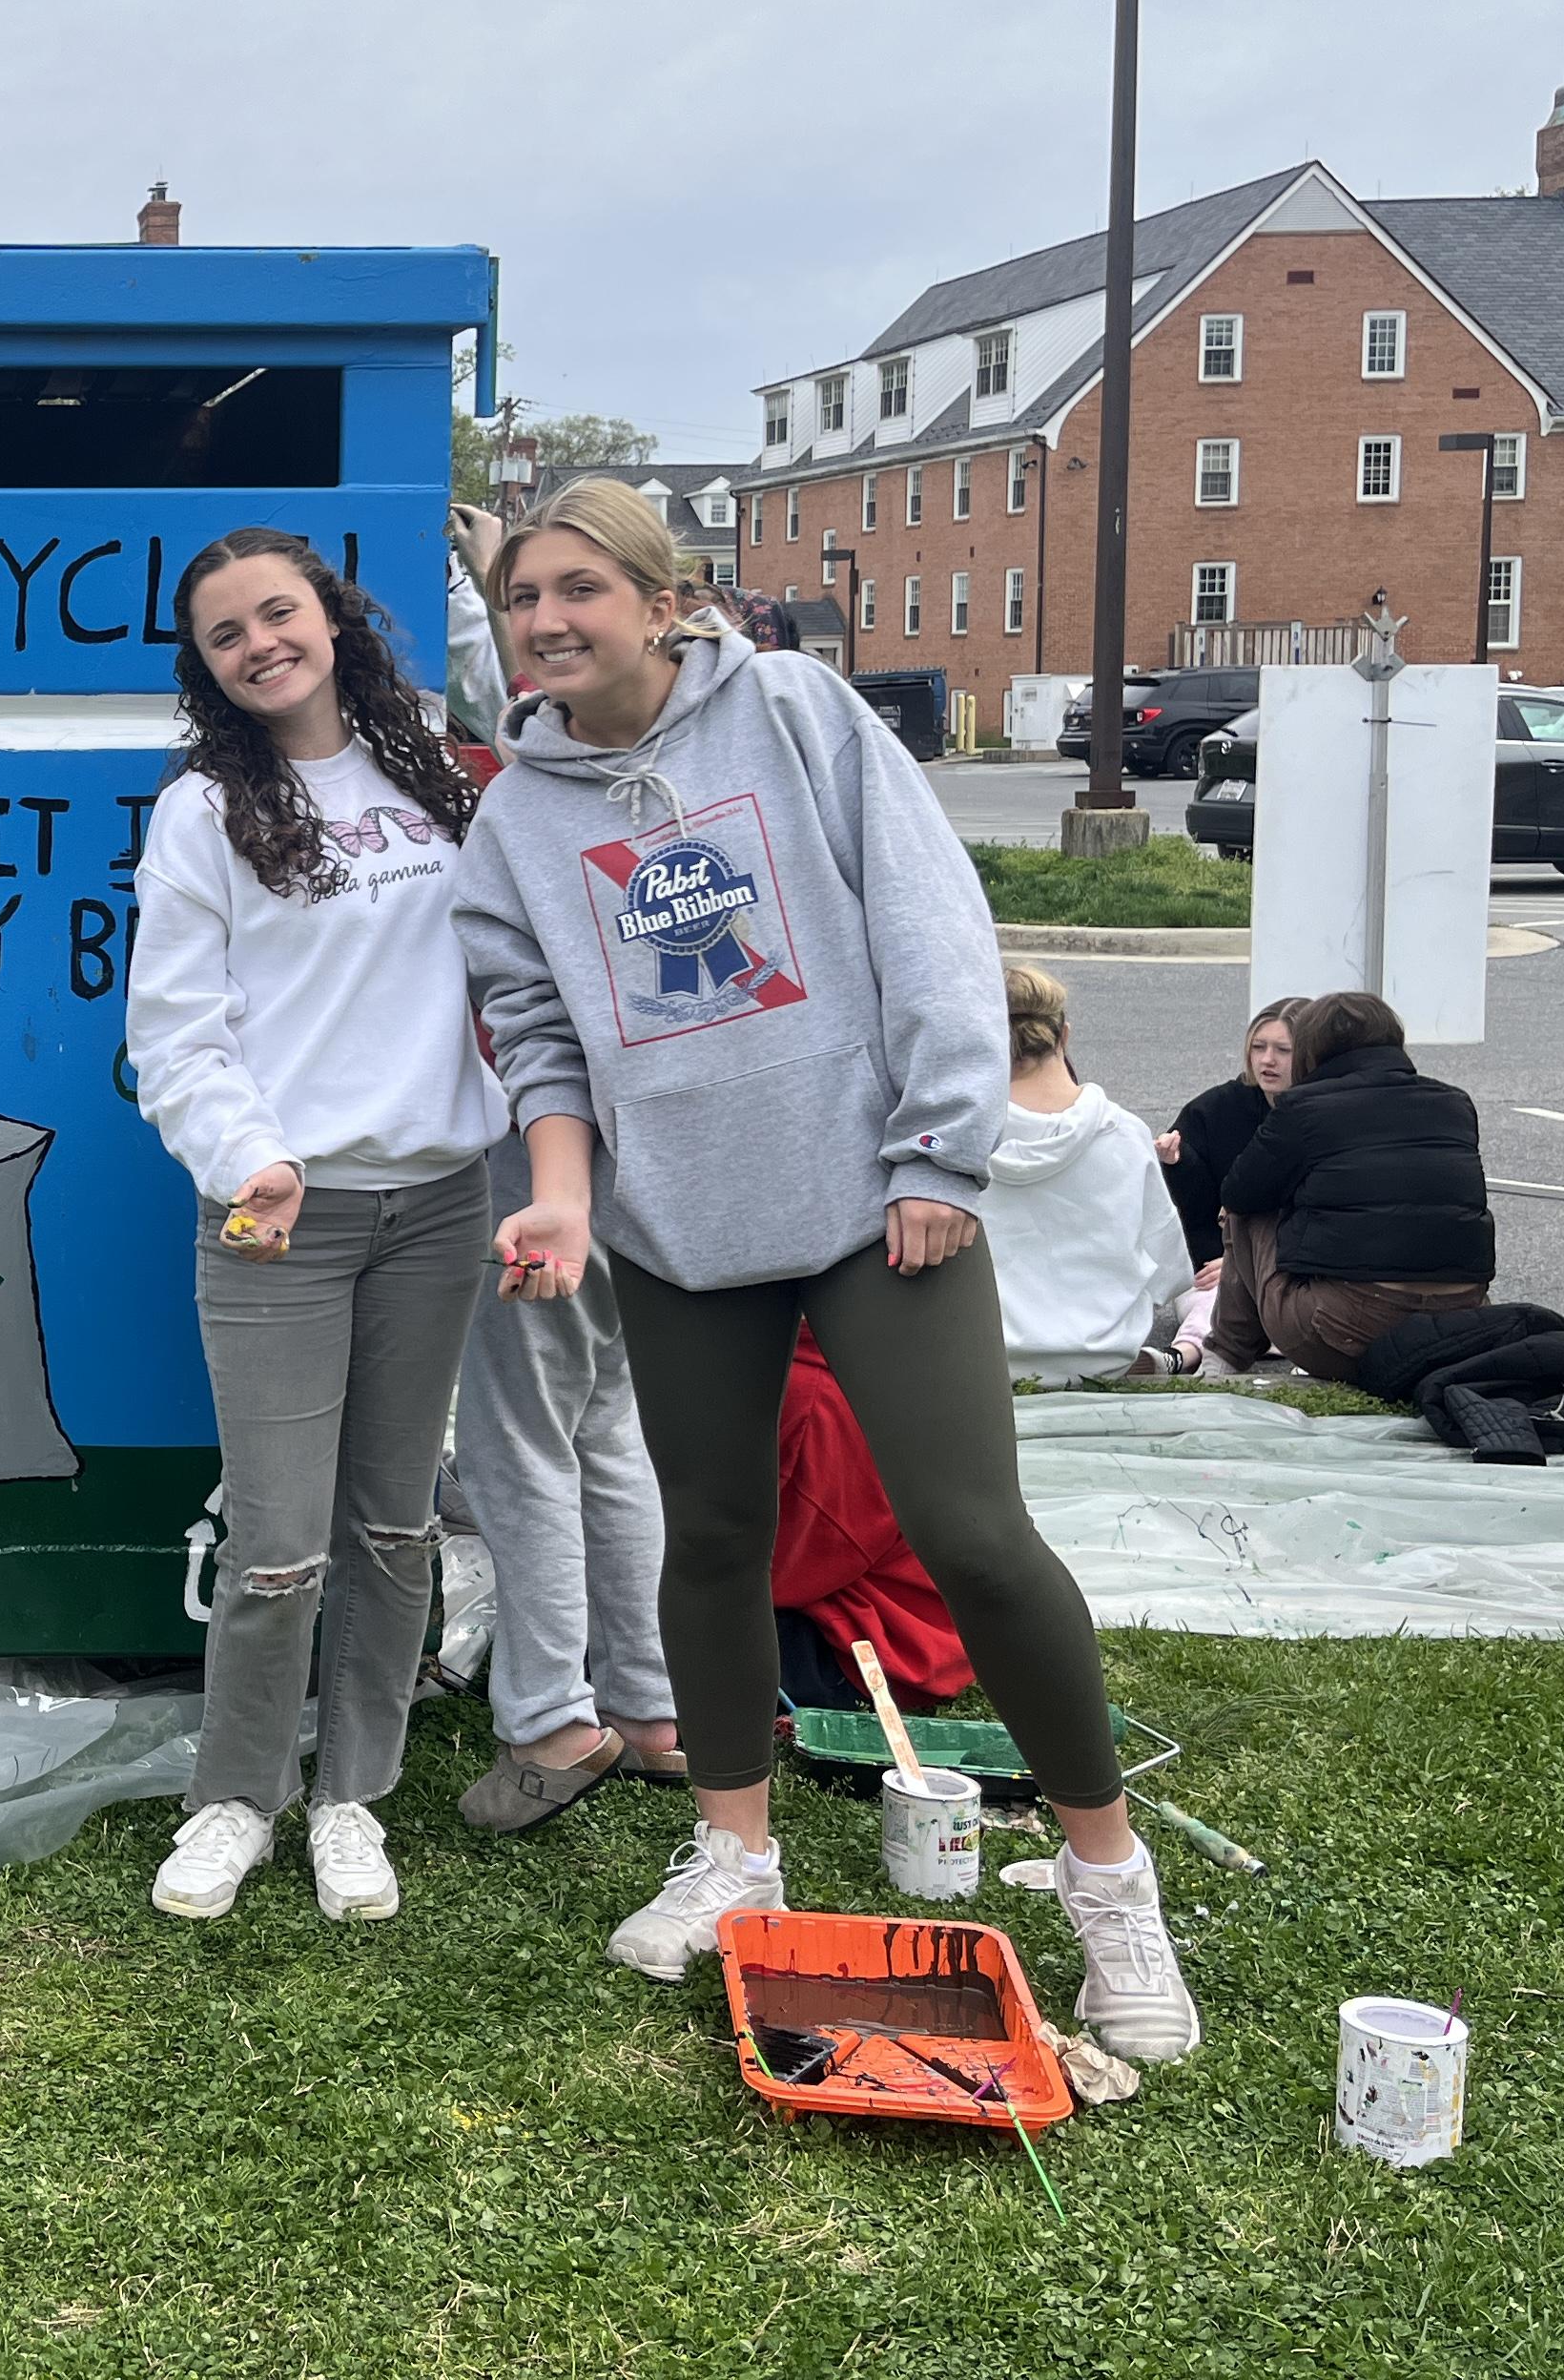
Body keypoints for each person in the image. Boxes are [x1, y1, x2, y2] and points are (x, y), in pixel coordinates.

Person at [453, 477, 1200, 2062]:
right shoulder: (515, 817)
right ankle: (734, 1850)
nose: (545, 620)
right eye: (521, 598)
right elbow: (533, 1034)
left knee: (974, 1537)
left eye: (577, 587)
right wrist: (569, 1202)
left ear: (661, 601)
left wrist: (939, 1151)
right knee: (713, 1538)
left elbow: (929, 923)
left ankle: (1107, 1875)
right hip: (677, 1230)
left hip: (877, 1204)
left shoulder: (789, 712)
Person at [127, 528, 504, 1924]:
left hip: (440, 1201)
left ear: (331, 619)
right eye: (228, 633)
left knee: (396, 1528)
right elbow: (174, 1032)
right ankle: (237, 1799)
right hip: (279, 1216)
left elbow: (537, 712)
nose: (259, 644)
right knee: (280, 1541)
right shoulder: (202, 813)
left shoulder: (428, 758)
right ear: (209, 667)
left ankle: (354, 1797)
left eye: (278, 612)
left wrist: (492, 569)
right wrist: (246, 1161)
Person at [442, 1115, 683, 1833]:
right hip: (648, 1156)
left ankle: (550, 1725)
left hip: (544, 1164)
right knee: (607, 1430)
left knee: (517, 1442)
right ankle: (645, 1710)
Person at [1194, 989, 1492, 1381]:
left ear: (1310, 1048)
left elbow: (1239, 1192)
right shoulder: (1455, 1103)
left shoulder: (1303, 1107)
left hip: (1345, 1334)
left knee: (1247, 1208)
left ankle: (1225, 1357)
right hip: (1460, 1325)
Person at [986, 962, 1195, 1383]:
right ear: (1064, 1035)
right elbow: (1170, 1268)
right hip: (1105, 1360)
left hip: (990, 1361)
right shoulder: (1125, 1134)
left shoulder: (960, 1140)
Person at [772, 1328, 971, 1715]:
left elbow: (767, 1577)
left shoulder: (805, 1398)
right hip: (873, 1627)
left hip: (869, 1656)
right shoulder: (868, 1369)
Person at [1159, 1000, 1300, 1272]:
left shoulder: (1328, 1116)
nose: (1267, 1059)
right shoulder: (1217, 1107)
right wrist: (1179, 1161)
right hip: (1215, 1264)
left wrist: (1245, 1265)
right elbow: (1194, 1213)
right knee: (1207, 1308)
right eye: (1258, 1047)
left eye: (1283, 1050)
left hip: (1296, 1270)